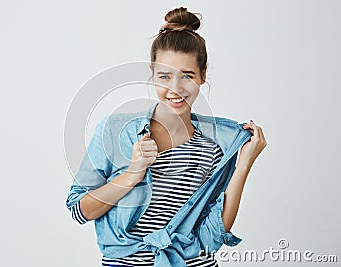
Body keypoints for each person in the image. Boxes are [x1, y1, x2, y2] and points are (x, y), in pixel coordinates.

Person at [66, 6, 267, 267]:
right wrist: (133, 174)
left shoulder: (213, 148)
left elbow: (211, 238)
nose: (175, 88)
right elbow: (79, 211)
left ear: (203, 76)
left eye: (187, 76)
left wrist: (243, 166)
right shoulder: (114, 132)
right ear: (152, 74)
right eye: (164, 76)